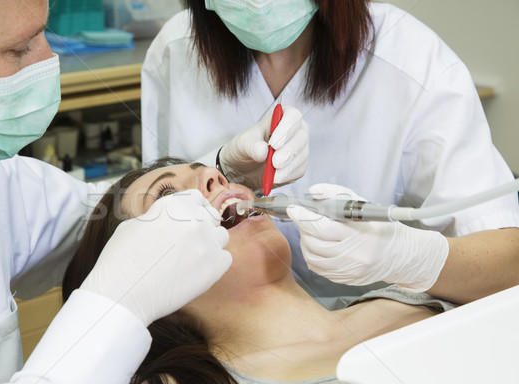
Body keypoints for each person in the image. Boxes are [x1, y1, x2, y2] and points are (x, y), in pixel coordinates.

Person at [0, 1, 232, 384]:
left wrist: (224, 167)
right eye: (18, 49)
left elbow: (99, 214)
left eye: (43, 34)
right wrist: (115, 308)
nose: (50, 61)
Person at [141, 0, 519, 307]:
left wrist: (410, 258)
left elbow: (508, 262)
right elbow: (141, 227)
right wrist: (219, 163)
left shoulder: (412, 59)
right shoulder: (176, 50)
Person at [61, 157, 456, 384]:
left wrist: (421, 258)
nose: (215, 178)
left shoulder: (406, 294)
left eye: (208, 172)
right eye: (166, 197)